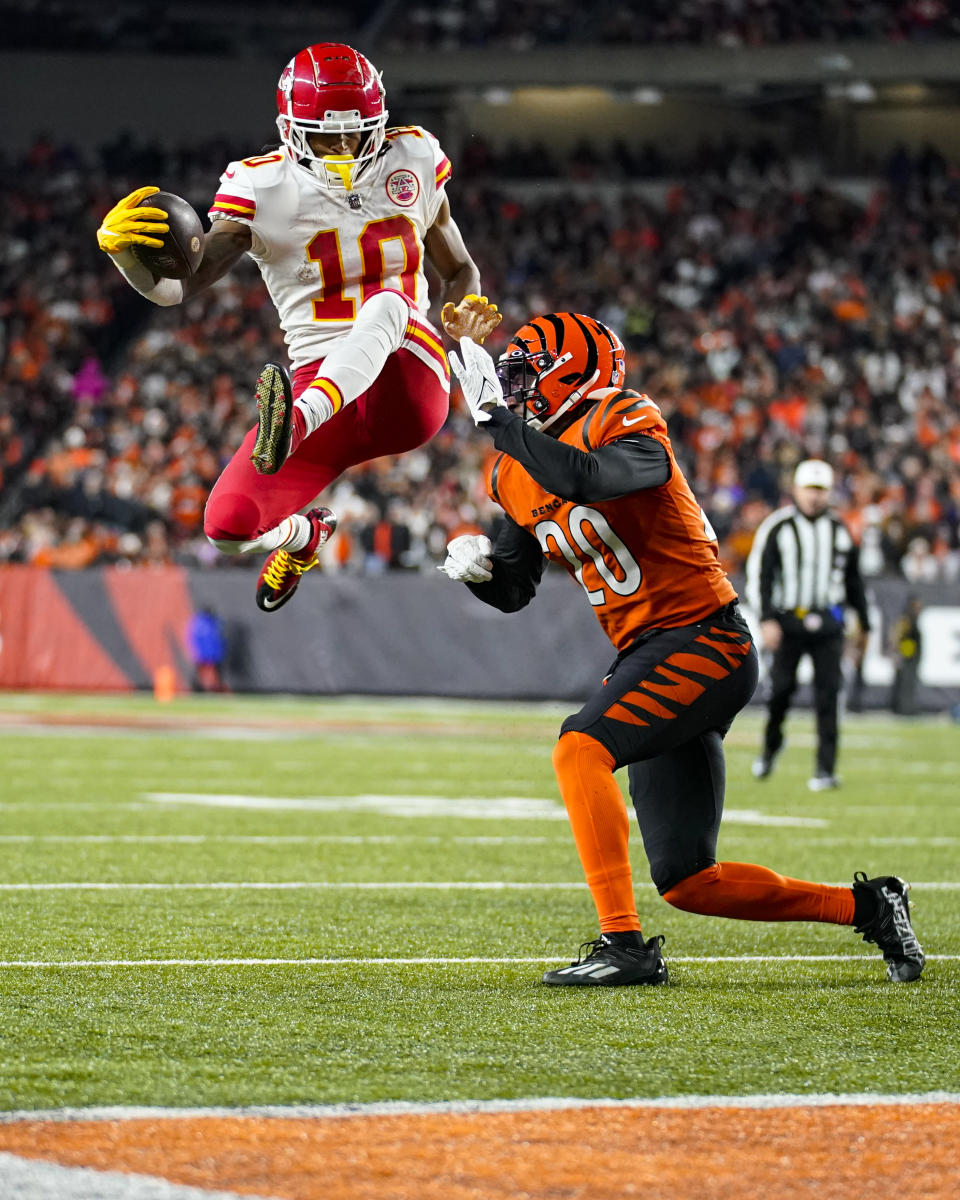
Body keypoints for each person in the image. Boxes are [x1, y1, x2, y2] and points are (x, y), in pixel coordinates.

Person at [437, 311, 924, 987]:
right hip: (646, 650)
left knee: (580, 747)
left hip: (706, 637)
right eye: (509, 381)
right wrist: (480, 572)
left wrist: (502, 424)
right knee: (691, 880)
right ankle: (869, 905)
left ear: (572, 370)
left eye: (526, 376)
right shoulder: (514, 469)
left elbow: (589, 477)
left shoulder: (624, 416)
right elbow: (518, 589)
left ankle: (624, 946)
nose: (515, 391)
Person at [96, 42, 499, 613]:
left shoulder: (412, 156)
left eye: (355, 133)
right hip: (321, 382)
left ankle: (294, 423)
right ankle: (303, 537)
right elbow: (177, 289)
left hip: (407, 376)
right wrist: (128, 260)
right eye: (325, 135)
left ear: (378, 123)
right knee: (226, 526)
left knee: (386, 302)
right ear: (290, 129)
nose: (341, 148)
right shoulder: (260, 187)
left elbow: (459, 268)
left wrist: (464, 314)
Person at [745, 460, 871, 791]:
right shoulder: (778, 527)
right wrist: (767, 618)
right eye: (810, 489)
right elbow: (762, 576)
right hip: (788, 621)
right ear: (796, 490)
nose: (815, 497)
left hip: (829, 621)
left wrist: (865, 624)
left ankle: (825, 769)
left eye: (821, 490)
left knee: (829, 694)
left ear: (829, 493)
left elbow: (854, 581)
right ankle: (771, 748)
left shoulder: (839, 530)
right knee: (781, 692)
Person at [890, 594, 924, 716]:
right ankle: (904, 708)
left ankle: (908, 707)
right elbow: (897, 635)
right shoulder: (906, 618)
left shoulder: (911, 617)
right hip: (907, 653)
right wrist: (897, 652)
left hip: (911, 654)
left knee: (910, 682)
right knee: (906, 682)